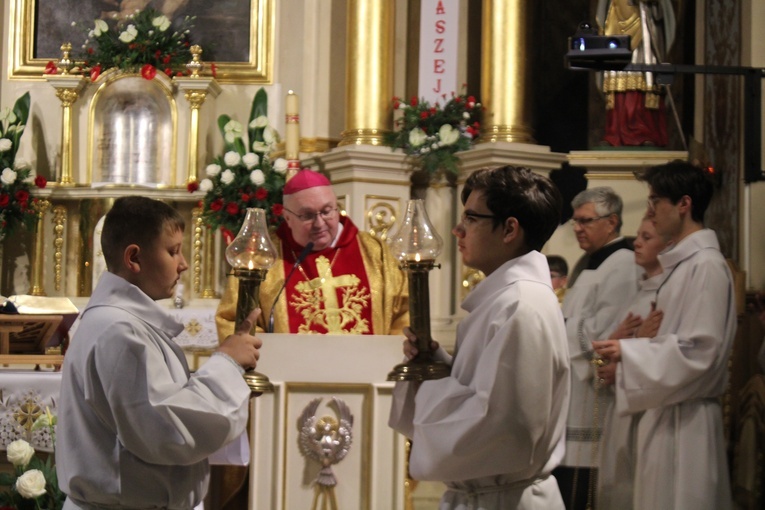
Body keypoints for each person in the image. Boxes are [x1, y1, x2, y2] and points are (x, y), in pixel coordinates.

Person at [56, 196, 263, 510]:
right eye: (173, 251)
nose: (183, 264)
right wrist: (227, 363)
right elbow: (167, 429)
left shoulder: (120, 322)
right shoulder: (118, 330)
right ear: (134, 258)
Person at [389, 165, 570, 509]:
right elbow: (489, 392)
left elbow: (503, 428)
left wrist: (428, 387)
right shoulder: (505, 301)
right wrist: (437, 365)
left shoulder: (521, 307)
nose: (457, 230)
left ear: (509, 229)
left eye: (471, 218)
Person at [592, 160, 736, 509]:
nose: (650, 211)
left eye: (656, 200)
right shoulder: (684, 265)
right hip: (667, 414)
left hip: (687, 426)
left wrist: (630, 353)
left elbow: (700, 352)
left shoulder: (706, 266)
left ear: (684, 204)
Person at [216, 169, 408, 337]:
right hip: (290, 375)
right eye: (307, 215)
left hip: (368, 373)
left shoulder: (375, 252)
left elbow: (405, 315)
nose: (320, 223)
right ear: (288, 217)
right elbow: (234, 321)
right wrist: (269, 358)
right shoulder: (260, 258)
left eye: (326, 211)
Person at [554, 186, 641, 510]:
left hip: (596, 393)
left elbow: (610, 329)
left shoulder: (624, 265)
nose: (577, 227)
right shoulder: (592, 262)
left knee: (586, 488)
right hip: (576, 388)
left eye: (586, 221)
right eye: (575, 221)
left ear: (612, 221)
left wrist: (560, 326)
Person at [594, 217, 670, 508]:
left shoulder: (666, 292)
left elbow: (662, 353)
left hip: (645, 408)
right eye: (638, 236)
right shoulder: (640, 291)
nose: (636, 242)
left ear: (667, 245)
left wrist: (626, 357)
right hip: (622, 404)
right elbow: (614, 346)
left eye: (647, 237)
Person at [596, 0, 676, 147]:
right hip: (617, 16)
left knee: (645, 77)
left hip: (644, 21)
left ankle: (645, 131)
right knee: (616, 73)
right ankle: (615, 132)